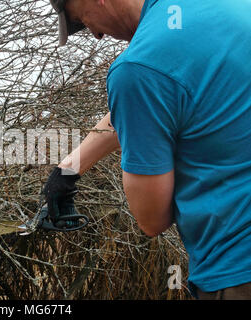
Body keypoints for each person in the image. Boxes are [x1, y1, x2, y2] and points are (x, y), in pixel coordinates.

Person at [43, 0, 251, 300]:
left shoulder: (138, 69)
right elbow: (159, 102)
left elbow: (153, 219)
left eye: (84, 21)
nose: (97, 35)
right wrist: (68, 170)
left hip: (238, 270)